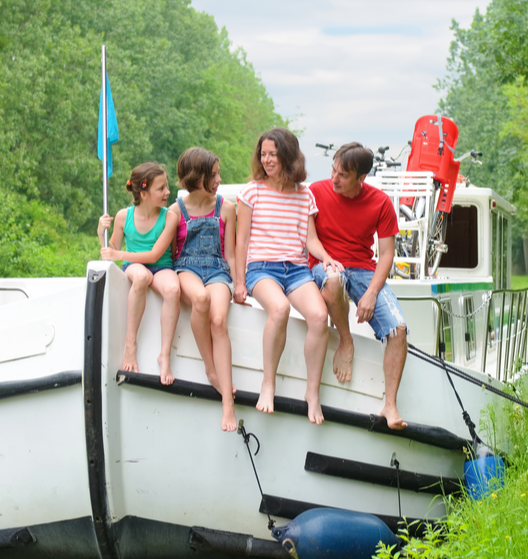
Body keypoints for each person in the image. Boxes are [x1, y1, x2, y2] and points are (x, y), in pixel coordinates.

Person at [234, 128, 341, 425]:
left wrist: (327, 257)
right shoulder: (251, 192)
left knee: (319, 316)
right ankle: (268, 383)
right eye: (263, 154)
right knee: (279, 309)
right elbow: (241, 241)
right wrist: (240, 283)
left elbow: (310, 240)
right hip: (261, 268)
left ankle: (312, 392)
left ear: (288, 156)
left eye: (273, 154)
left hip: (295, 270)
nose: (266, 160)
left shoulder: (304, 195)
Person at [310, 143, 408, 430]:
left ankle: (390, 404)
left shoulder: (380, 202)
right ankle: (346, 341)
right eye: (333, 170)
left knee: (398, 329)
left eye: (343, 175)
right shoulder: (316, 191)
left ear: (361, 178)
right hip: (326, 264)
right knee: (333, 279)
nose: (334, 179)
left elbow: (387, 254)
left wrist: (371, 293)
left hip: (363, 268)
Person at [97, 163, 181, 385]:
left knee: (173, 289)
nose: (167, 192)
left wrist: (118, 253)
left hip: (161, 265)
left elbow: (154, 255)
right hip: (134, 266)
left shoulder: (170, 217)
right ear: (144, 194)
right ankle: (130, 345)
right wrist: (100, 232)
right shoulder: (124, 216)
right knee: (141, 277)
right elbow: (111, 249)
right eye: (161, 188)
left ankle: (164, 355)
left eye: (167, 187)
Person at [173, 147, 238, 432]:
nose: (219, 179)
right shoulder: (176, 211)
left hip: (217, 269)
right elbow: (166, 250)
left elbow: (231, 254)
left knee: (219, 320)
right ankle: (210, 368)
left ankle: (228, 405)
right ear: (197, 177)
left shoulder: (226, 208)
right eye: (214, 175)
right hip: (186, 266)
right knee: (199, 299)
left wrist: (241, 286)